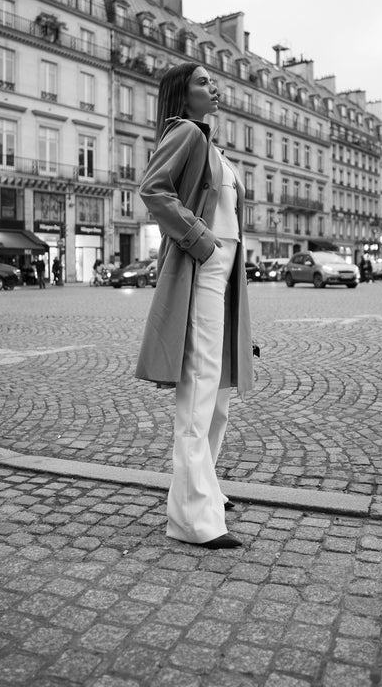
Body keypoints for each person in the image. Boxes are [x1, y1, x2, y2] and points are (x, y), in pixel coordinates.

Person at [136, 63, 254, 550]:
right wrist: (201, 241)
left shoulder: (212, 145)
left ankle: (206, 487)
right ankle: (191, 518)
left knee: (220, 390)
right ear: (182, 94)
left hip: (224, 268)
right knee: (201, 384)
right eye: (205, 81)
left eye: (214, 81)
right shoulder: (184, 131)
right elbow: (152, 189)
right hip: (203, 263)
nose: (215, 87)